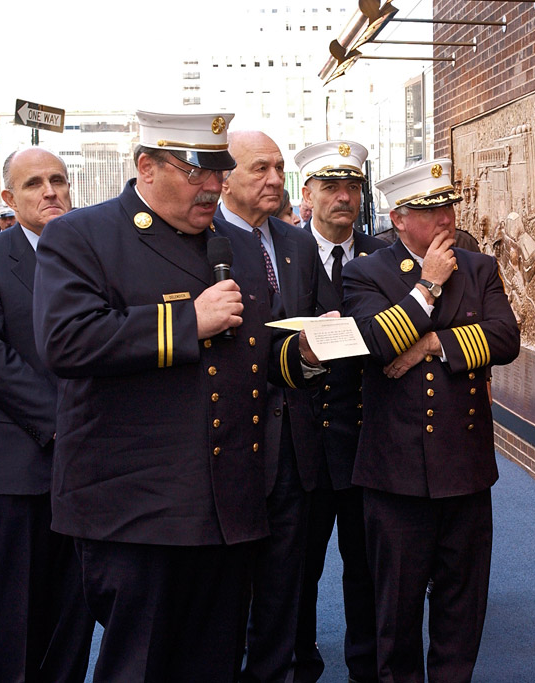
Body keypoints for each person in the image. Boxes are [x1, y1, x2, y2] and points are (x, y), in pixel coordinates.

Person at [32, 111, 323, 682]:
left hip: (227, 507)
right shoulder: (83, 235)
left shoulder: (229, 245)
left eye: (218, 170)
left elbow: (252, 358)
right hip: (136, 508)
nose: (213, 184)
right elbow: (65, 342)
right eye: (197, 170)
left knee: (213, 665)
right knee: (139, 667)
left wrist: (305, 356)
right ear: (146, 166)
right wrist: (186, 322)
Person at [342, 158, 520, 682]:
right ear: (399, 219)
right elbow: (375, 344)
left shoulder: (480, 267)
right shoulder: (366, 272)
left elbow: (506, 339)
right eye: (429, 210)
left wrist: (432, 343)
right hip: (394, 473)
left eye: (448, 206)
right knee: (394, 611)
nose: (444, 219)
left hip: (463, 468)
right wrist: (427, 287)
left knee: (461, 607)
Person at [0, 147, 96, 683]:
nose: (50, 192)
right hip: (20, 464)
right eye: (35, 183)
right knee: (19, 610)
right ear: (8, 198)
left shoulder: (93, 255)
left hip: (91, 467)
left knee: (77, 608)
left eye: (59, 181)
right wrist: (65, 422)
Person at [215, 129, 321, 683]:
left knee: (283, 597)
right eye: (259, 169)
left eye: (279, 168)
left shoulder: (298, 243)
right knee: (224, 602)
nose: (275, 180)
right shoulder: (200, 242)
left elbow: (322, 322)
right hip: (226, 452)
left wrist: (324, 341)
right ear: (224, 178)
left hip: (293, 455)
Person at [294, 140, 386, 683]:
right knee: (295, 571)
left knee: (367, 569)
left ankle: (367, 666)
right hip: (300, 444)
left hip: (366, 442)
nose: (343, 198)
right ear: (306, 195)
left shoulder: (384, 258)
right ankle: (297, 661)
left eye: (352, 187)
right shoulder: (281, 256)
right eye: (330, 187)